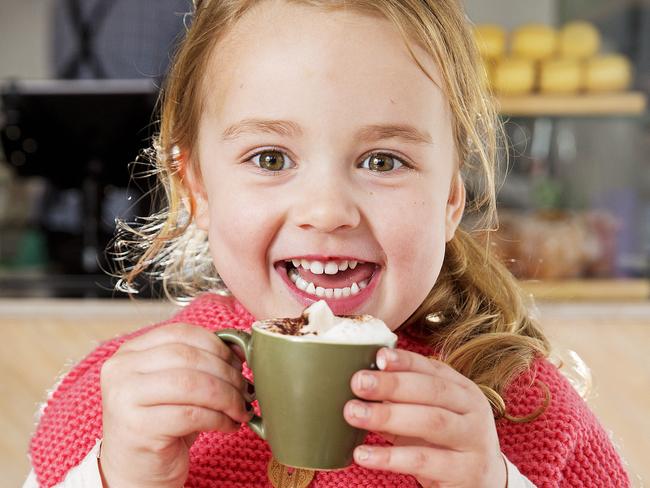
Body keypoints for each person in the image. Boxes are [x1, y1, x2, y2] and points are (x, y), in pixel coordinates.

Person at [24, 0, 631, 487]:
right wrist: (122, 477)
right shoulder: (119, 404)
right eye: (270, 157)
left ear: (450, 198)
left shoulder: (522, 412)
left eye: (384, 160)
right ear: (198, 188)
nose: (327, 212)